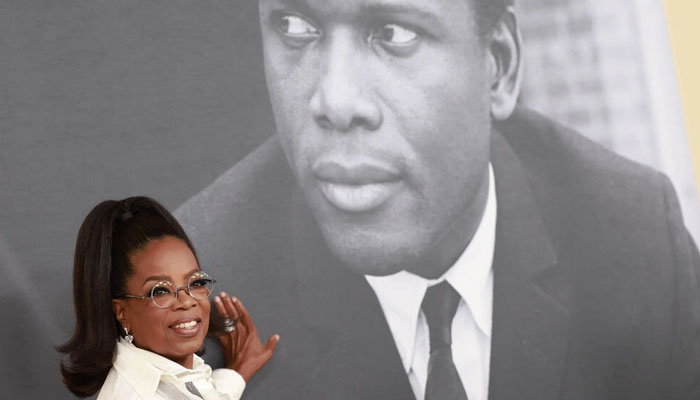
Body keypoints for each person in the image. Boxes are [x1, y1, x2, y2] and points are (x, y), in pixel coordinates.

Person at [176, 0, 700, 398]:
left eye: (394, 33)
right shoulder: (189, 310)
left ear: (498, 65)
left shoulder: (637, 244)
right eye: (296, 27)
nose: (335, 101)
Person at [58, 196, 279, 399]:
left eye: (196, 282)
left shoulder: (178, 380)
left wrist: (237, 373)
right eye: (160, 291)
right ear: (121, 312)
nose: (187, 301)